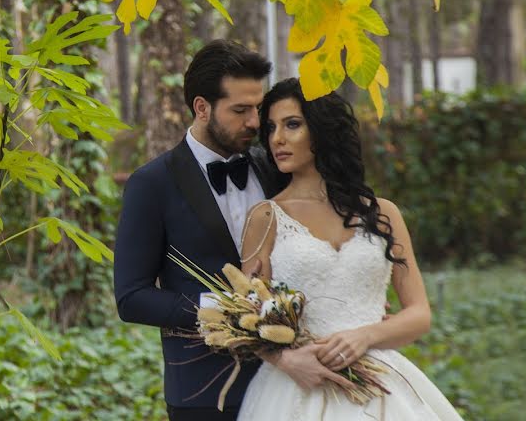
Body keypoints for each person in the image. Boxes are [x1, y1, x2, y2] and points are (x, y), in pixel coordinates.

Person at [236, 78, 463, 420]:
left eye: (292, 124)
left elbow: (419, 314)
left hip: (381, 386)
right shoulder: (266, 217)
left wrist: (366, 336)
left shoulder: (383, 213)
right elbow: (245, 316)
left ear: (322, 130)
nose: (277, 138)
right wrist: (287, 359)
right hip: (297, 387)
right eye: (271, 128)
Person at [114, 40, 288, 421]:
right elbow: (131, 297)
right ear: (201, 107)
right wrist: (227, 310)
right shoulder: (151, 183)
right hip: (203, 392)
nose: (255, 123)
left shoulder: (276, 169)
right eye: (240, 110)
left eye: (258, 108)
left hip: (287, 385)